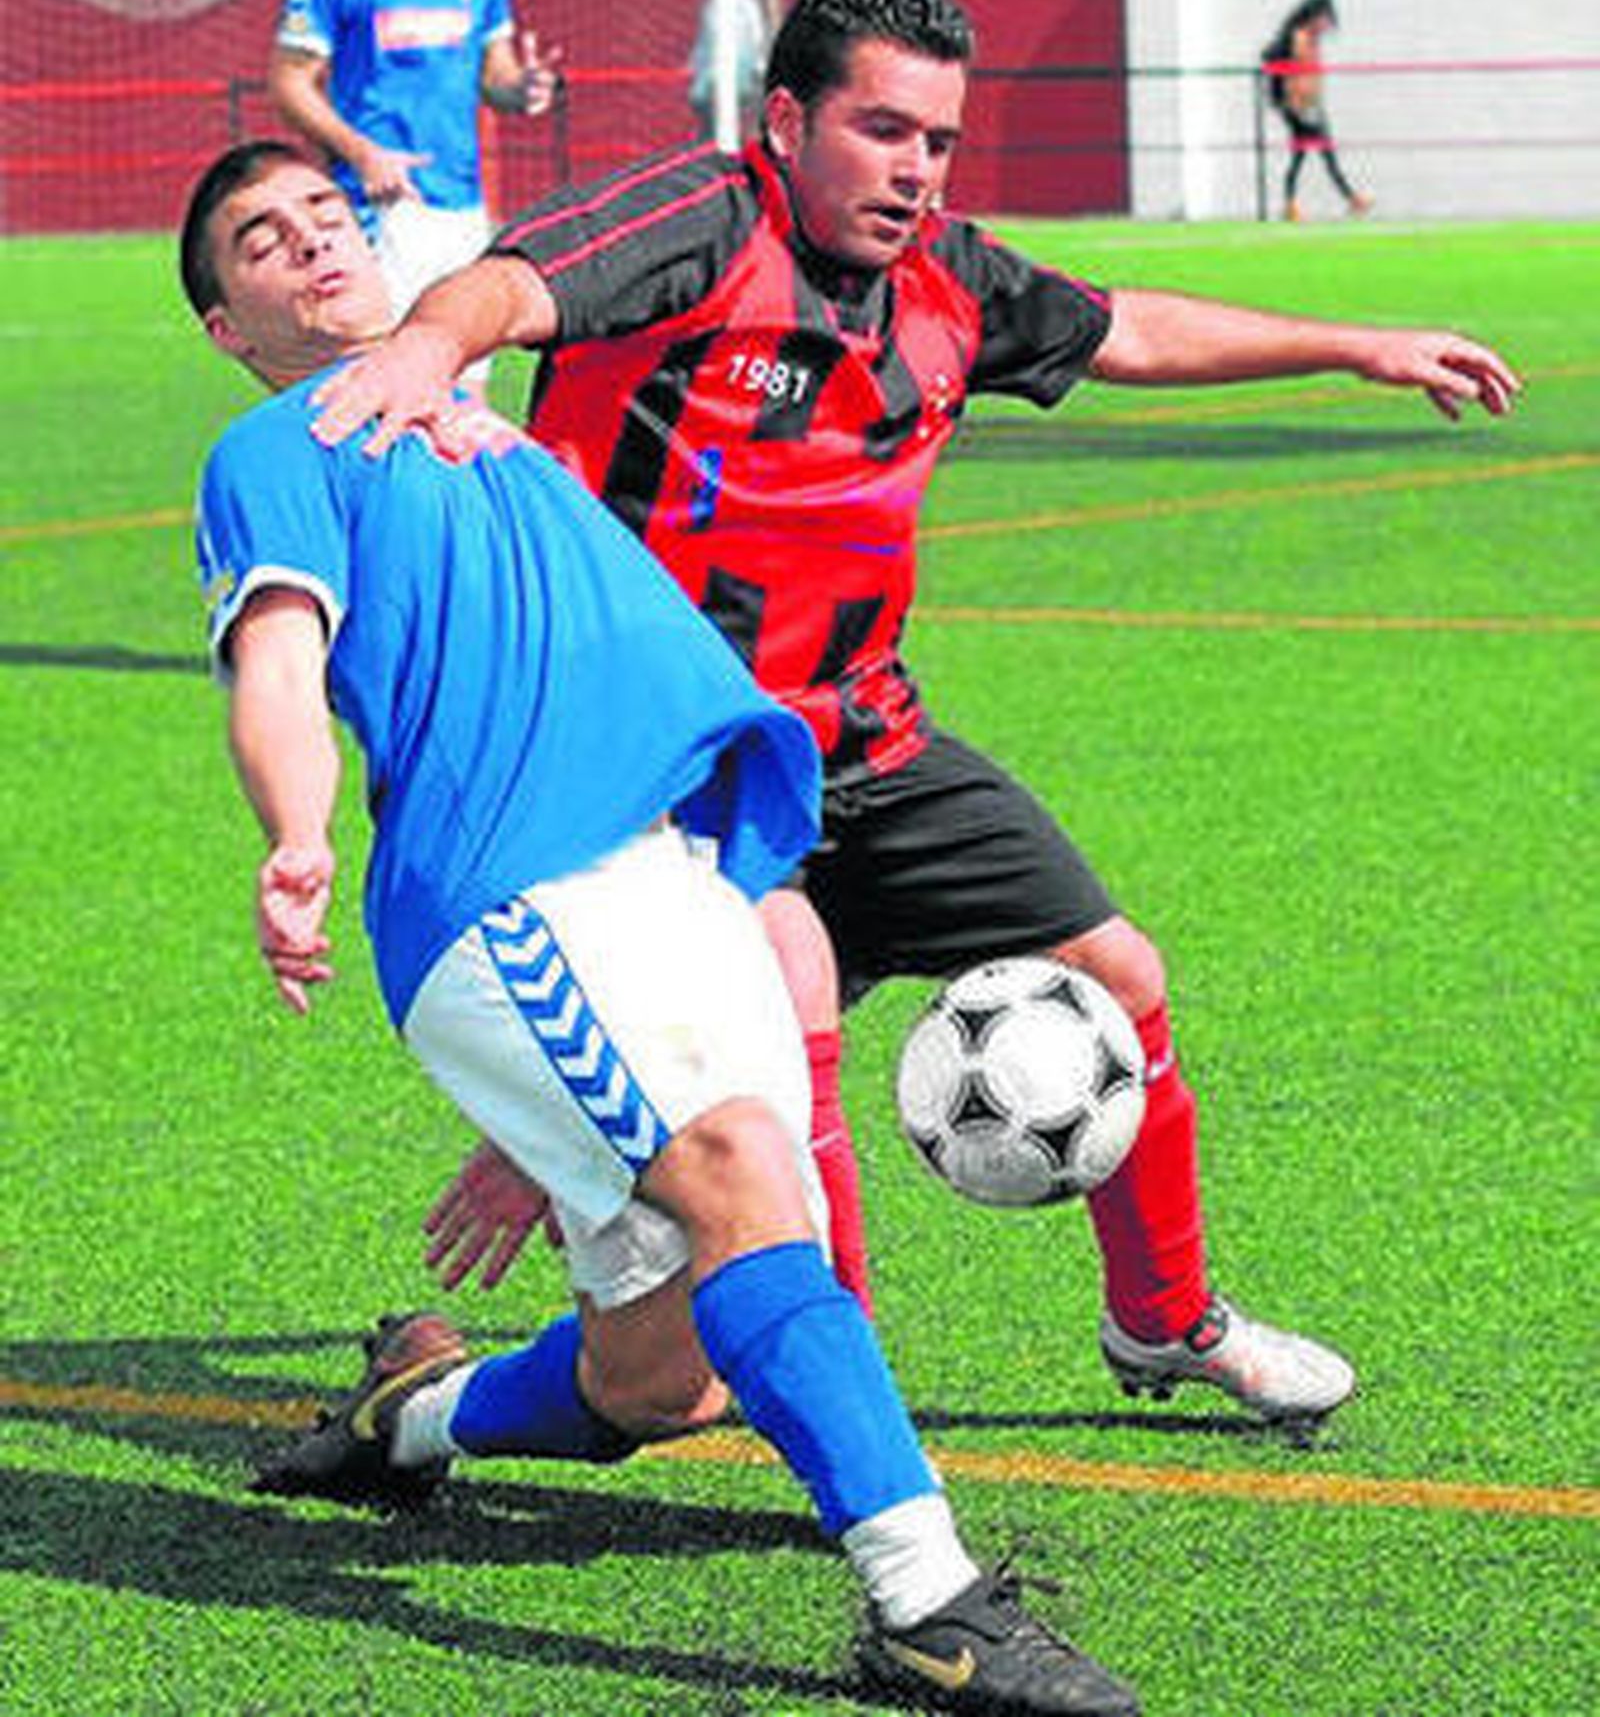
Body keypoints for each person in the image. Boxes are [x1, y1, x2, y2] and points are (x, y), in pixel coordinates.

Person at [309, 0, 1520, 1433]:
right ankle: (836, 1394)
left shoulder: (948, 281)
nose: (916, 171)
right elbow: (511, 283)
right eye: (882, 130)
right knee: (798, 994)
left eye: (939, 141)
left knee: (1123, 978)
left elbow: (1123, 326)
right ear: (784, 122)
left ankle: (1166, 1322)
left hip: (870, 742)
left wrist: (1360, 349)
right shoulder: (701, 226)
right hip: (678, 780)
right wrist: (431, 345)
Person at [180, 138, 1142, 1717]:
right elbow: (278, 665)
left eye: (326, 219)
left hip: (680, 885)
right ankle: (929, 1607)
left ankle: (411, 1419)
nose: (312, 247)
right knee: (748, 1180)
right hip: (514, 889)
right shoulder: (277, 450)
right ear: (230, 323)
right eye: (262, 244)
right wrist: (296, 834)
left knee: (670, 1369)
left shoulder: (498, 436)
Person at [268, 0, 560, 326]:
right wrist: (362, 154)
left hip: (463, 204)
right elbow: (288, 83)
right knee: (386, 379)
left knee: (464, 384)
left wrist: (523, 90)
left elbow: (494, 73)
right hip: (379, 205)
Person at [1260, 0, 1372, 223]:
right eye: (1324, 20)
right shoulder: (1298, 38)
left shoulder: (1312, 39)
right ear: (1313, 17)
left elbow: (1313, 75)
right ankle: (1351, 199)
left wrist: (1315, 102)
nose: (1327, 25)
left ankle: (1292, 204)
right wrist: (1295, 106)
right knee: (1323, 153)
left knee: (1303, 155)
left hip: (1311, 106)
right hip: (1299, 108)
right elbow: (1290, 74)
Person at [688, 0, 768, 142]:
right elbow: (706, 41)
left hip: (742, 68)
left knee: (746, 104)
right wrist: (695, 65)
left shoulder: (746, 4)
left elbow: (757, 36)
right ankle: (711, 140)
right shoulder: (712, 6)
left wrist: (759, 64)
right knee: (700, 99)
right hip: (717, 70)